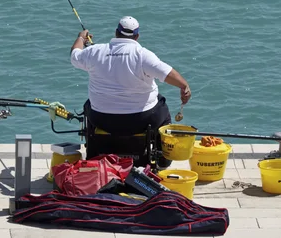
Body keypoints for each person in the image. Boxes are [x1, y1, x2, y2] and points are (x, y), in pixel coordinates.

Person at [70, 16, 191, 167]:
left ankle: (94, 151)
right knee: (163, 108)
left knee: (88, 105)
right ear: (137, 36)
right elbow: (167, 74)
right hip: (140, 121)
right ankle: (163, 159)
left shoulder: (95, 51)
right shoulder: (143, 55)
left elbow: (74, 56)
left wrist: (81, 38)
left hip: (102, 120)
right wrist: (184, 86)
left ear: (116, 32)